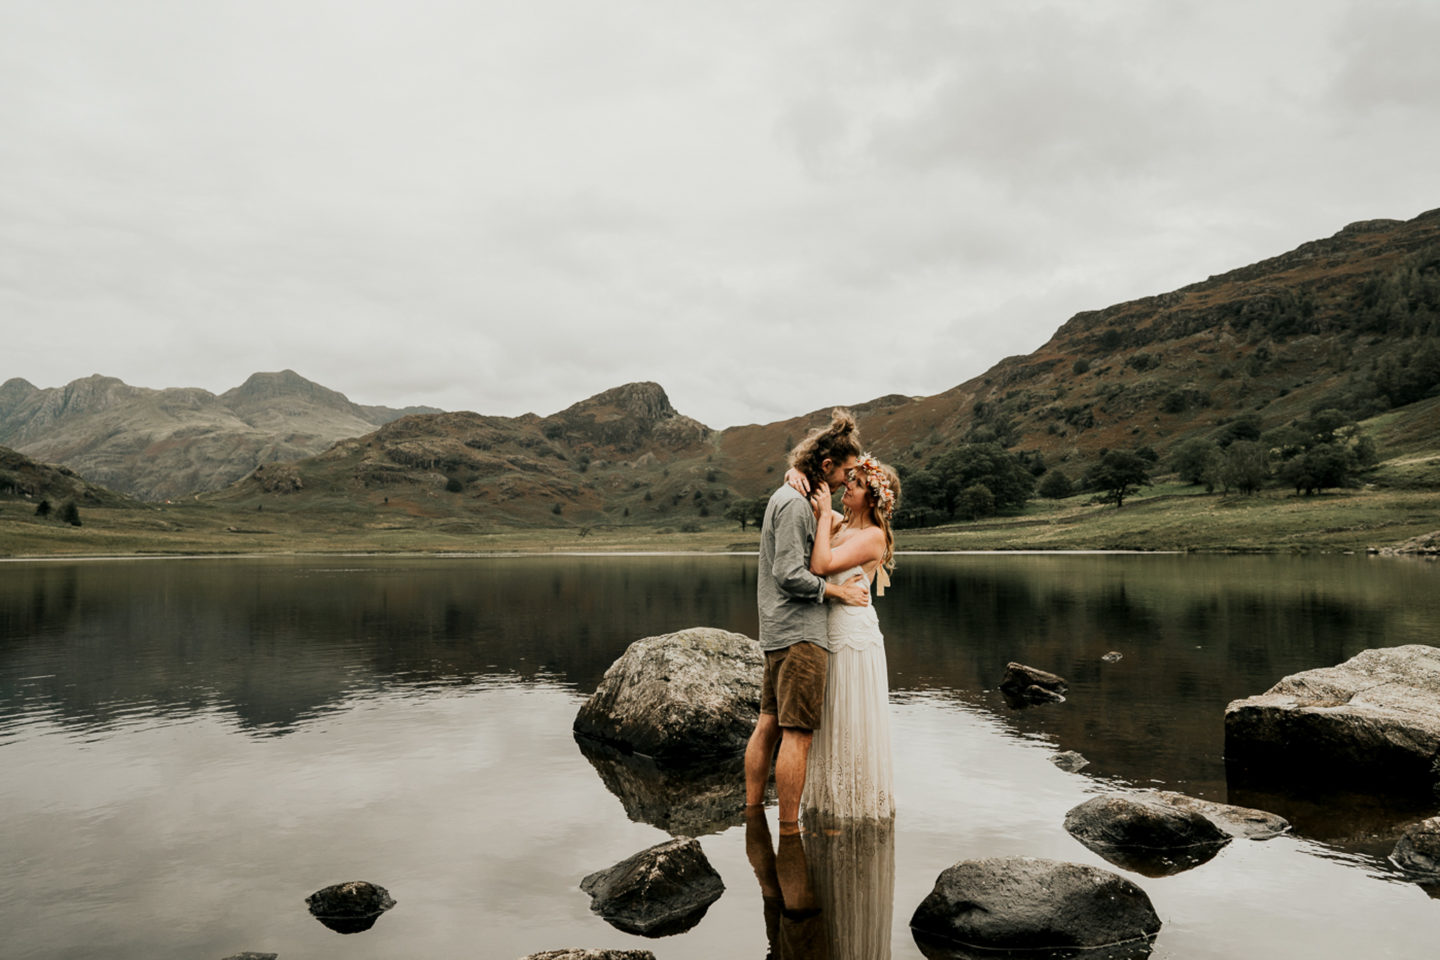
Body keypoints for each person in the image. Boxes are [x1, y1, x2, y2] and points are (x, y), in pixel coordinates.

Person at [744, 410, 869, 835]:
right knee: (797, 734)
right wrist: (837, 592)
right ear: (828, 465)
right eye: (846, 472)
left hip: (778, 631)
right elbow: (790, 574)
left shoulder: (794, 497)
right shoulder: (796, 502)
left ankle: (752, 812)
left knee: (768, 723)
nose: (847, 481)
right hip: (800, 634)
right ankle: (788, 829)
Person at [787, 453, 901, 820]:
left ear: (874, 498)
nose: (847, 485)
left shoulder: (872, 537)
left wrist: (823, 518)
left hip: (854, 638)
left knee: (851, 720)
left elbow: (820, 565)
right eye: (849, 478)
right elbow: (806, 495)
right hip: (828, 634)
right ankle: (828, 810)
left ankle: (854, 811)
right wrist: (794, 471)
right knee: (830, 718)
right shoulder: (840, 525)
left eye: (857, 483)